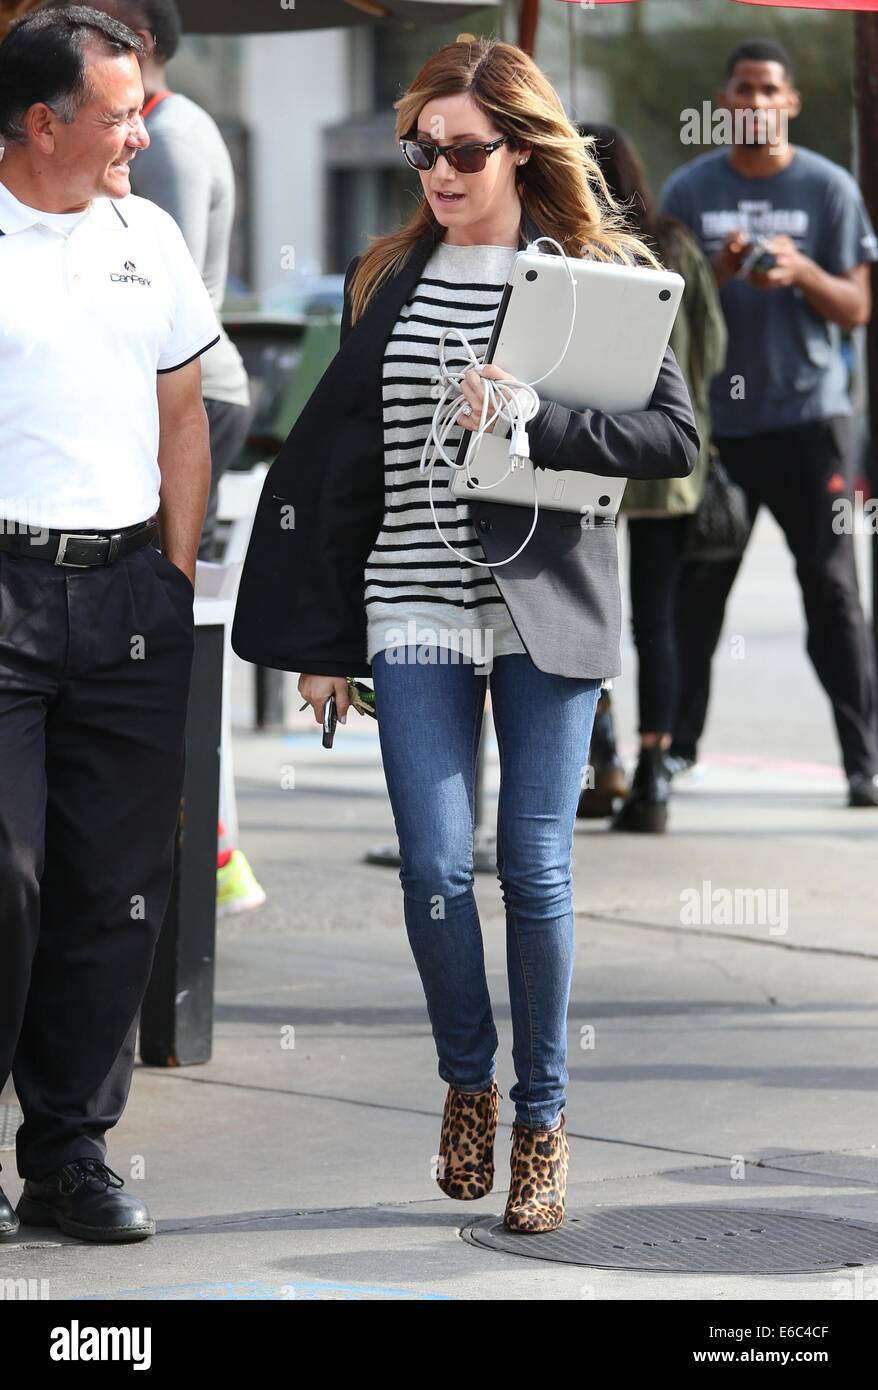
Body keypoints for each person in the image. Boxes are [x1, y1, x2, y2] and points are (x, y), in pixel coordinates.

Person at [232, 34, 699, 1232]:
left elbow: (671, 444)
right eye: (421, 149)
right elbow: (344, 469)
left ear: (519, 147)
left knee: (534, 868)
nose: (438, 170)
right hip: (411, 600)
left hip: (546, 608)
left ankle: (542, 1119)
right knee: (438, 867)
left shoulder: (598, 270)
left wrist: (541, 418)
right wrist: (327, 639)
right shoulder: (384, 273)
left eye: (462, 150)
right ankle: (465, 1083)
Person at [0, 5, 219, 1243]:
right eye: (121, 109)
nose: (145, 125)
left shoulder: (150, 234)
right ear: (45, 123)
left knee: (115, 888)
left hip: (132, 596)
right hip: (4, 591)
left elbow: (181, 414)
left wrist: (173, 579)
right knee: (6, 876)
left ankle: (70, 1150)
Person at [59, 0, 266, 912]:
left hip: (186, 392)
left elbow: (149, 305)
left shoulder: (164, 142)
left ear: (135, 47)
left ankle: (207, 848)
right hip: (165, 389)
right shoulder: (170, 127)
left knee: (165, 622)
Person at [660, 39, 878, 808]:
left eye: (768, 90)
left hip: (809, 422)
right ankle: (677, 749)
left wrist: (801, 271)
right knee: (697, 592)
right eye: (742, 90)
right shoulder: (688, 191)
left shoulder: (829, 189)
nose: (754, 103)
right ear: (723, 104)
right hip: (714, 430)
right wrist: (713, 274)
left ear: (790, 103)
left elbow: (858, 308)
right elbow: (659, 307)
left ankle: (864, 758)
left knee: (832, 591)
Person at [576, 123, 727, 833]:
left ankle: (598, 754)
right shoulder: (677, 247)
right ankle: (652, 777)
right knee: (654, 622)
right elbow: (714, 353)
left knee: (584, 610)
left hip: (589, 456)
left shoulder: (576, 249)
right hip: (667, 464)